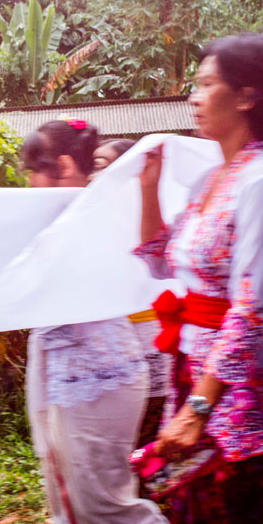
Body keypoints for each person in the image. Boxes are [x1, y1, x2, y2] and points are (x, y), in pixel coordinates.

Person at [136, 33, 263, 524]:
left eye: (206, 84)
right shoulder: (211, 180)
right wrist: (148, 190)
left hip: (252, 392)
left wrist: (198, 408)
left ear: (246, 96)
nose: (193, 97)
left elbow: (252, 309)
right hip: (203, 376)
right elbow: (161, 262)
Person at [21, 119, 169, 524]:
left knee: (104, 507)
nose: (29, 181)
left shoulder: (99, 216)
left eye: (35, 169)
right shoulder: (58, 219)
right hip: (64, 369)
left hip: (101, 374)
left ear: (65, 165)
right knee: (66, 500)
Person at [90, 137, 173, 446]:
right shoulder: (94, 219)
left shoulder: (148, 215)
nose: (94, 175)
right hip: (111, 336)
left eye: (102, 166)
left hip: (147, 332)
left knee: (148, 423)